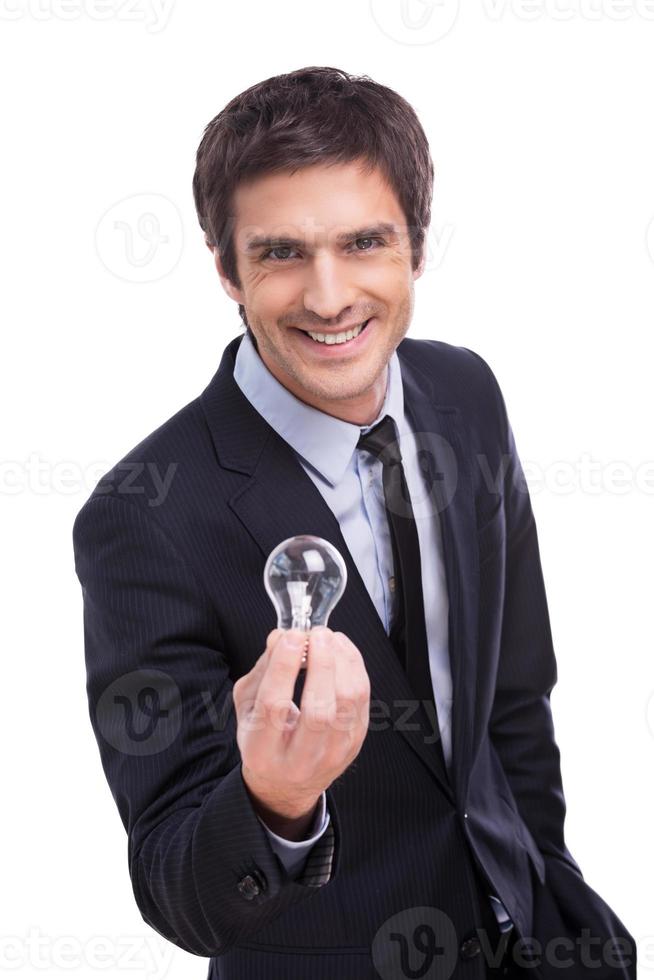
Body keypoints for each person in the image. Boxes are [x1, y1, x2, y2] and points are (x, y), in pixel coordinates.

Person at [72, 66, 635, 980]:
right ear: (225, 269)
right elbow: (174, 880)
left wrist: (553, 886)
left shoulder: (465, 394)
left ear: (415, 245)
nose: (330, 298)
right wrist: (274, 801)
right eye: (282, 253)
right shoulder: (147, 516)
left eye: (364, 242)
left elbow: (513, 697)